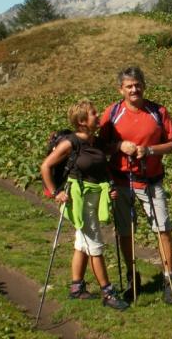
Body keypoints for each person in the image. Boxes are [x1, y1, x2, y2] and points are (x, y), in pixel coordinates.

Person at [40, 99, 128, 311]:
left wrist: (111, 186)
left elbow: (102, 165)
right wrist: (56, 192)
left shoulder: (95, 142)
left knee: (83, 243)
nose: (98, 116)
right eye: (93, 113)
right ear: (81, 121)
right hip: (79, 198)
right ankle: (107, 292)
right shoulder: (70, 143)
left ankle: (76, 287)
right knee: (95, 244)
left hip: (95, 196)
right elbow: (46, 166)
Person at [100, 66, 172, 304]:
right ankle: (133, 278)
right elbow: (101, 146)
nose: (134, 89)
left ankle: (168, 278)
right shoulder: (112, 113)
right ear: (120, 89)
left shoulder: (158, 111)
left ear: (144, 85)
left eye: (138, 84)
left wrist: (150, 150)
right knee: (125, 232)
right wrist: (118, 146)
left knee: (163, 228)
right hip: (121, 181)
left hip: (151, 181)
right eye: (129, 86)